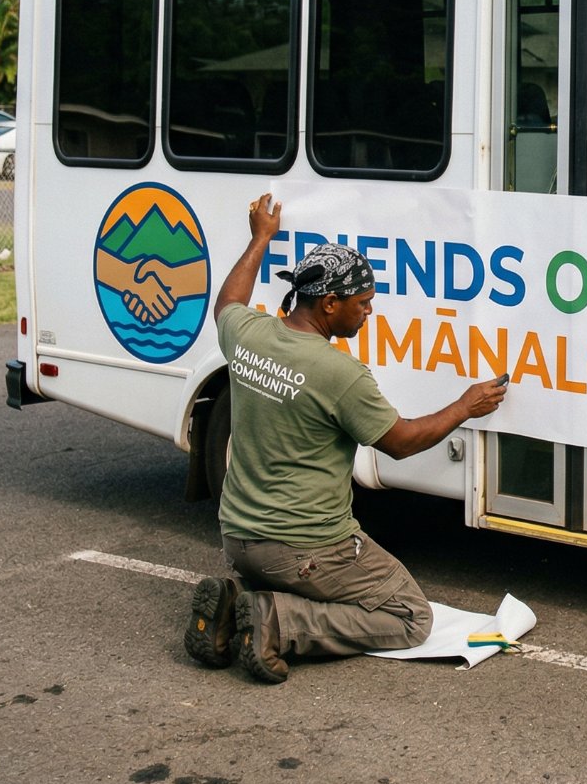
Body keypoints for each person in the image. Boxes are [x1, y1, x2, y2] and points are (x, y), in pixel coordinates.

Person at [183, 194, 508, 683]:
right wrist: (465, 406)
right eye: (362, 303)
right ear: (329, 303)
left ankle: (237, 609)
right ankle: (280, 622)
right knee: (410, 617)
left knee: (289, 578)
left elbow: (227, 302)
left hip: (238, 536)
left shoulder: (247, 335)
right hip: (306, 547)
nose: (369, 311)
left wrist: (260, 238)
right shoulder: (340, 373)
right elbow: (399, 442)